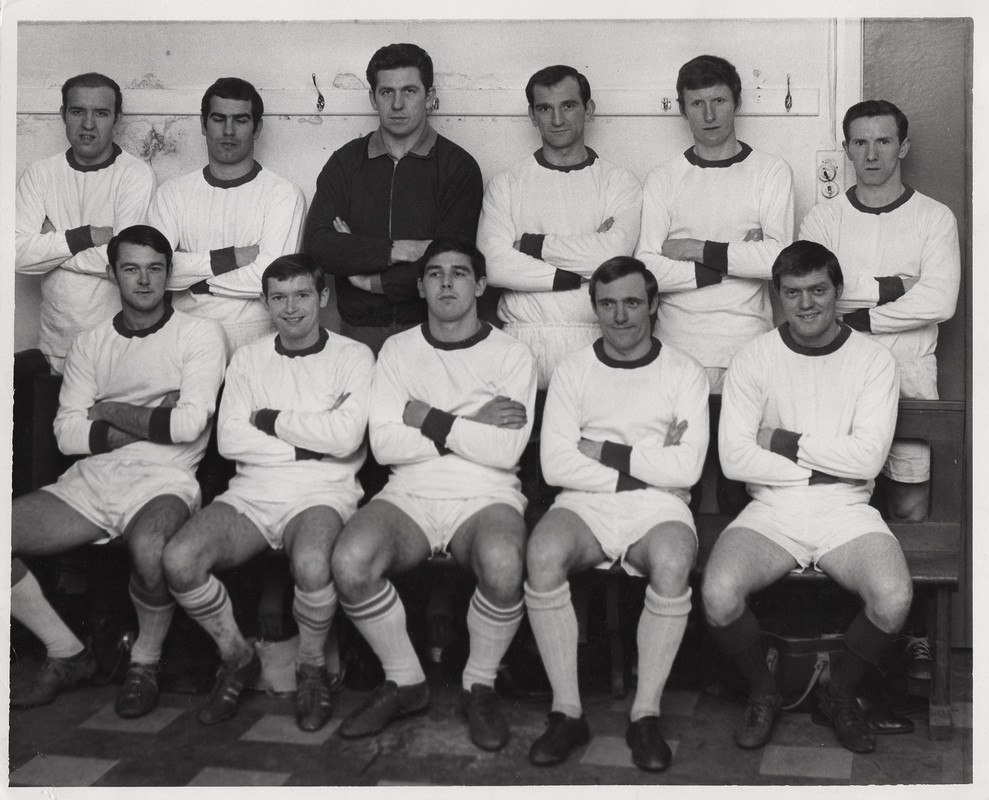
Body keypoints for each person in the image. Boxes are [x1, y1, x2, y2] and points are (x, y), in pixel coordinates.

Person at [9, 224, 227, 718]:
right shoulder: (90, 343)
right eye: (131, 268)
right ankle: (68, 654)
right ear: (113, 274)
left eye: (155, 269)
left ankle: (144, 664)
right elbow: (66, 434)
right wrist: (154, 416)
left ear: (169, 275)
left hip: (165, 479)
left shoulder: (199, 333)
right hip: (93, 480)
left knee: (152, 549)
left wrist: (106, 410)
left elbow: (190, 425)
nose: (144, 280)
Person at [702, 240, 910, 756]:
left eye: (818, 290)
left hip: (846, 508)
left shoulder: (873, 360)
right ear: (777, 297)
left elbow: (865, 461)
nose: (806, 303)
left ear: (838, 291)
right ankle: (764, 688)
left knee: (894, 598)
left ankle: (838, 694)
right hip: (773, 509)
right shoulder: (754, 357)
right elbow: (734, 459)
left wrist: (781, 441)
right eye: (792, 293)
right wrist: (818, 464)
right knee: (718, 594)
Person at [331, 238, 537, 752]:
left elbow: (505, 450)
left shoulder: (513, 353)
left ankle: (479, 685)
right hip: (409, 491)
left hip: (486, 493)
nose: (447, 283)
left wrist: (424, 417)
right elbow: (384, 444)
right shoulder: (399, 350)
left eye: (460, 273)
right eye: (436, 274)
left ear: (482, 285)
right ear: (421, 286)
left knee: (505, 564)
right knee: (351, 559)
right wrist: (471, 424)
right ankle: (405, 680)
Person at [162, 254, 374, 731]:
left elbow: (346, 440)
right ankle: (237, 657)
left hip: (323, 492)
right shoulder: (249, 359)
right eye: (279, 297)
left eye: (302, 295)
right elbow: (231, 441)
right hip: (251, 493)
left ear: (321, 297)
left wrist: (269, 421)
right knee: (178, 559)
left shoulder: (353, 356)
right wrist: (312, 442)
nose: (291, 308)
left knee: (314, 565)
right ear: (265, 302)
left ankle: (312, 666)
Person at [524, 256, 708, 771]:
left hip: (660, 507)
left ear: (653, 304)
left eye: (631, 302)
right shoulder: (573, 370)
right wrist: (650, 463)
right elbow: (557, 464)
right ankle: (567, 712)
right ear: (595, 309)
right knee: (542, 553)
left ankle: (644, 714)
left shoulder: (683, 372)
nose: (620, 316)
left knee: (672, 562)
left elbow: (686, 468)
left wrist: (602, 451)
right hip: (584, 504)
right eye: (607, 304)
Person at [799, 99, 960, 525]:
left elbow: (940, 301)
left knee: (911, 508)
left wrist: (857, 316)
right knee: (838, 505)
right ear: (847, 148)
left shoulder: (934, 217)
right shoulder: (822, 219)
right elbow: (812, 291)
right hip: (838, 375)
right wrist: (896, 287)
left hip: (910, 376)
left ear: (903, 146)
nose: (872, 154)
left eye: (884, 141)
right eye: (861, 142)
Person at [303, 43, 483, 355]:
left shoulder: (458, 166)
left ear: (429, 96)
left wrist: (368, 281)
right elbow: (318, 245)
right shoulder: (345, 163)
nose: (397, 104)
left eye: (410, 91)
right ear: (372, 98)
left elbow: (452, 264)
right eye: (387, 92)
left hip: (432, 329)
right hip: (359, 333)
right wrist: (397, 250)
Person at [477, 64, 642, 391]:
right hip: (521, 339)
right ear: (532, 114)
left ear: (589, 109)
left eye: (568, 105)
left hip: (596, 338)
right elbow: (493, 265)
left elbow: (613, 257)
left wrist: (530, 246)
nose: (556, 119)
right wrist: (583, 266)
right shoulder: (507, 184)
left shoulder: (618, 182)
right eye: (544, 108)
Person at [636, 55, 794, 394]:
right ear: (683, 109)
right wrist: (736, 259)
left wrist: (694, 249)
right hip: (675, 347)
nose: (709, 116)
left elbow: (776, 261)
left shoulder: (770, 172)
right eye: (697, 104)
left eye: (718, 101)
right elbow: (647, 268)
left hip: (747, 345)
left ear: (737, 102)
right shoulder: (664, 178)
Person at [150, 77, 306, 353]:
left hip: (258, 345)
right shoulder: (172, 194)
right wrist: (233, 258)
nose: (229, 131)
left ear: (257, 128)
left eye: (241, 120)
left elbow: (271, 279)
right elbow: (154, 272)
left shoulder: (282, 194)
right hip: (185, 343)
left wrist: (194, 280)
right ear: (203, 124)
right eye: (219, 119)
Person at [15, 72, 156, 373]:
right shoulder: (40, 174)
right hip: (53, 347)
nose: (88, 125)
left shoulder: (134, 175)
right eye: (78, 111)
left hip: (117, 346)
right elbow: (16, 255)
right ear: (63, 114)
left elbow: (126, 264)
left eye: (101, 113)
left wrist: (52, 246)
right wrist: (87, 236)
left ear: (117, 118)